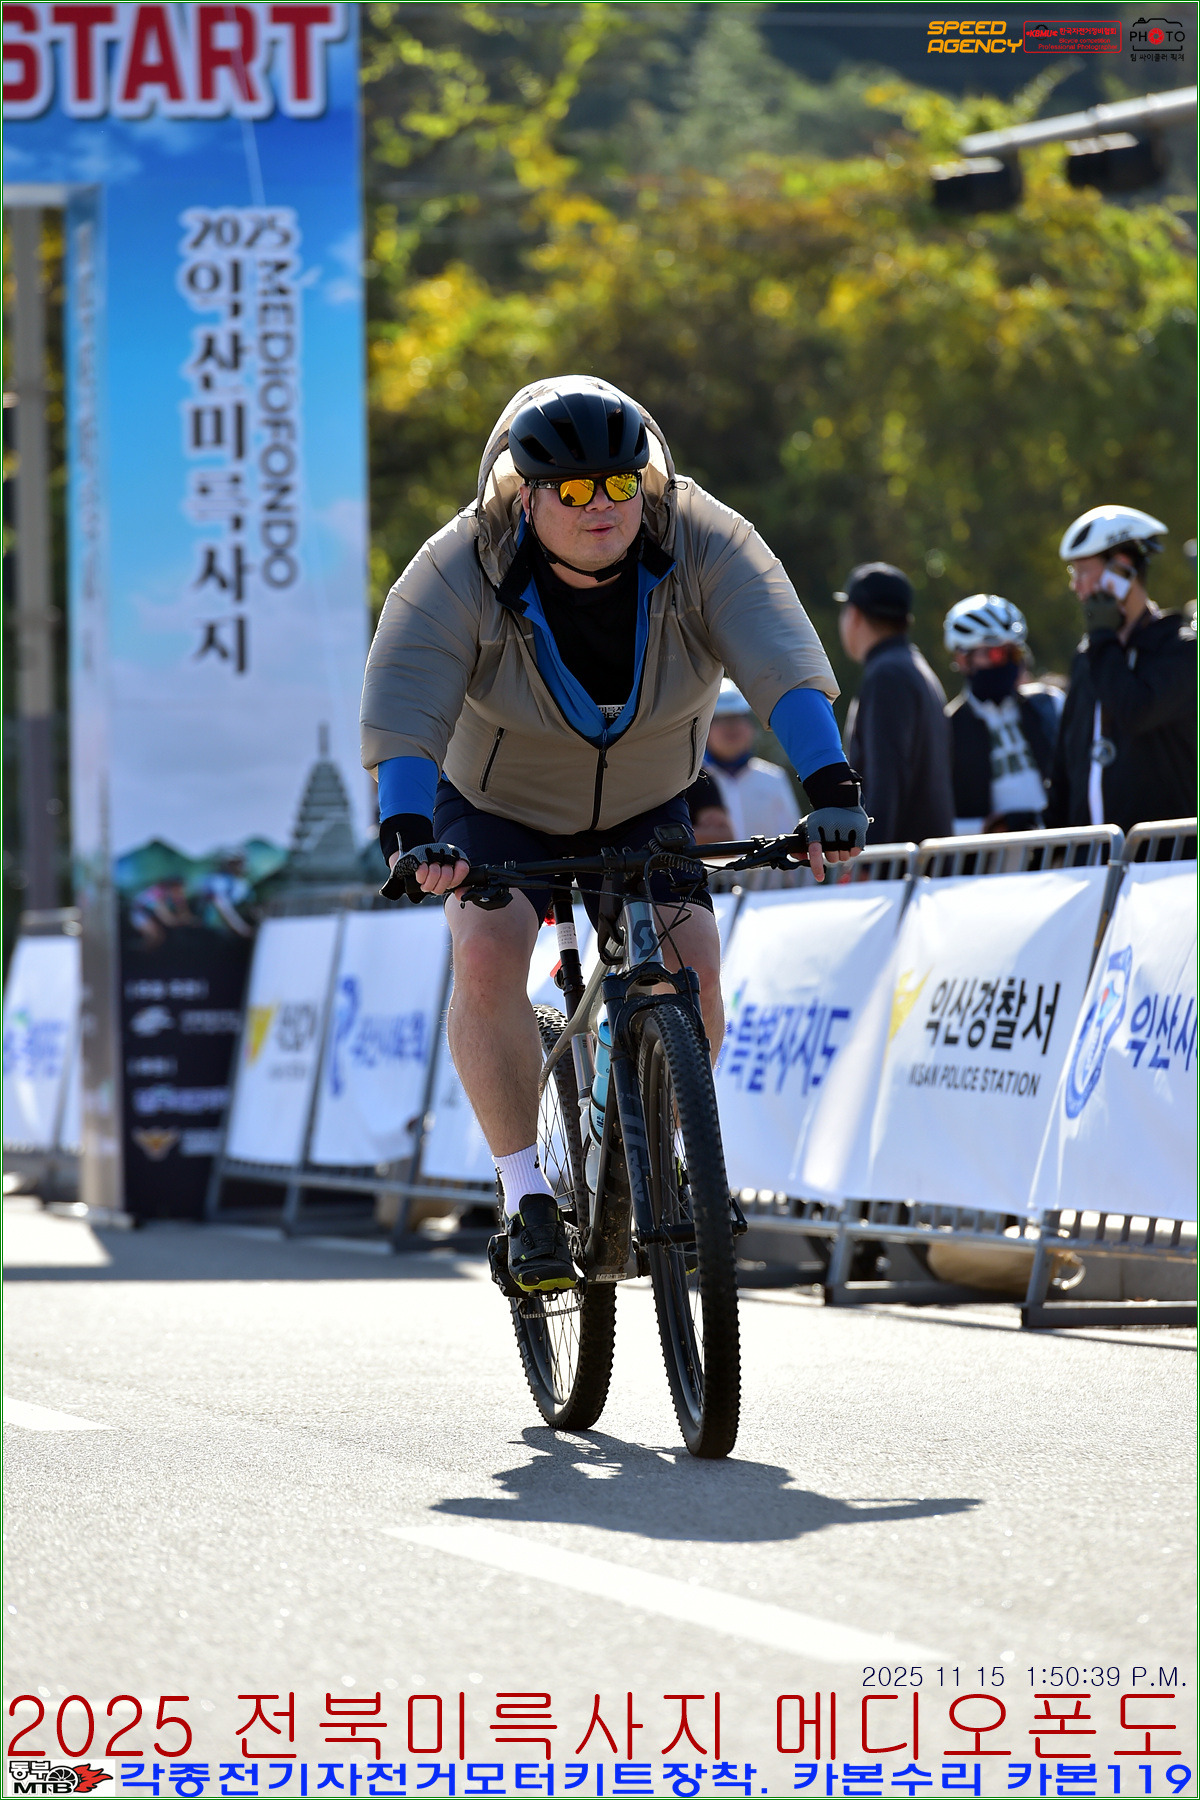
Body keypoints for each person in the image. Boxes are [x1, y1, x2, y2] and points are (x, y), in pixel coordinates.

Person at [360, 375, 867, 1292]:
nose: (603, 505)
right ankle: (526, 1196)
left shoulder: (703, 539)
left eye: (620, 484)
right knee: (486, 954)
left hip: (647, 795)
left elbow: (783, 662)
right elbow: (405, 702)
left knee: (694, 963)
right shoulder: (460, 564)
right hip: (497, 802)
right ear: (526, 496)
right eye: (574, 489)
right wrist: (406, 829)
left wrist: (832, 788)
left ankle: (662, 1156)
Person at [1046, 505, 1196, 833]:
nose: (1075, 586)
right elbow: (1064, 766)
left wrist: (1102, 636)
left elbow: (1135, 711)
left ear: (1121, 570)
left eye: (1082, 572)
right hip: (1090, 858)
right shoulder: (1087, 657)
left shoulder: (1183, 650)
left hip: (1164, 858)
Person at [837, 562, 955, 846]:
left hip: (900, 863)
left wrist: (870, 858)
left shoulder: (887, 674)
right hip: (925, 859)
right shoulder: (913, 667)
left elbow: (886, 778)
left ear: (854, 615)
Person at [943, 595, 1057, 834]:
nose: (1006, 663)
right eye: (994, 654)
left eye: (1013, 653)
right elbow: (937, 821)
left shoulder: (1049, 704)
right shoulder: (948, 730)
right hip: (992, 855)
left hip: (1060, 846)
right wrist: (988, 828)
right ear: (963, 659)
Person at [701, 680, 798, 839]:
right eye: (720, 719)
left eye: (737, 717)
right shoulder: (692, 782)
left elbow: (792, 840)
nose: (730, 727)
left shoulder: (774, 778)